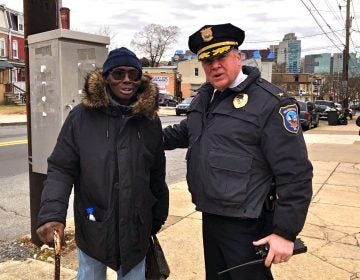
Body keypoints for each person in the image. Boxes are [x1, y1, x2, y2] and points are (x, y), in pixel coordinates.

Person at [163, 23, 313, 280]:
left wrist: (285, 232)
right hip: (211, 213)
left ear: (238, 57)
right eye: (207, 60)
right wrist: (138, 132)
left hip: (247, 222)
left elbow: (295, 173)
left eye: (221, 56)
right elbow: (185, 132)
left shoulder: (271, 103)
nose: (214, 65)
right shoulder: (206, 97)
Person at [36, 47, 169, 280]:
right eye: (118, 73)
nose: (126, 80)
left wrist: (157, 216)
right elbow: (61, 168)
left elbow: (156, 173)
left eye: (133, 74)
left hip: (136, 229)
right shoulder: (80, 117)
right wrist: (51, 214)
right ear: (106, 77)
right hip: (94, 224)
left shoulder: (150, 120)